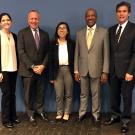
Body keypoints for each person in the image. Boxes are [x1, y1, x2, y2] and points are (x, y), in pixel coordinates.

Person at [74, 8, 109, 126]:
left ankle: (96, 115)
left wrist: (105, 71)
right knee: (83, 94)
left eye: (92, 15)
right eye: (88, 16)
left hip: (97, 70)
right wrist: (76, 70)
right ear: (85, 18)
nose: (90, 17)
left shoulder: (104, 32)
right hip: (83, 69)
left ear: (96, 17)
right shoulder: (79, 33)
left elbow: (106, 54)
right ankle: (81, 114)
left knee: (96, 94)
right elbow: (76, 53)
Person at [104, 1, 135, 133]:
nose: (121, 13)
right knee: (114, 96)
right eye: (119, 11)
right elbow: (110, 51)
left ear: (129, 13)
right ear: (116, 13)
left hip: (128, 72)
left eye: (124, 11)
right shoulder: (111, 30)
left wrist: (130, 71)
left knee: (126, 97)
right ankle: (115, 116)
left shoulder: (134, 29)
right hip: (113, 71)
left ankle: (126, 121)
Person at [17, 10, 49, 126]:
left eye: (36, 19)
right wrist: (32, 66)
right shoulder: (22, 33)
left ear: (39, 19)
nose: (34, 21)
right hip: (27, 71)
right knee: (28, 94)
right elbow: (21, 52)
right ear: (28, 19)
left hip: (41, 70)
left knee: (40, 92)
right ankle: (30, 114)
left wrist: (43, 65)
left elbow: (47, 53)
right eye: (32, 18)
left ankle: (40, 111)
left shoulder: (45, 34)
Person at [49, 22, 75, 122]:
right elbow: (50, 61)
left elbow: (76, 59)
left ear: (67, 31)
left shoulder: (72, 43)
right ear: (57, 30)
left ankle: (67, 113)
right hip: (57, 71)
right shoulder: (52, 44)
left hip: (68, 70)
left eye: (64, 28)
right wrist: (51, 76)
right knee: (59, 94)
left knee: (69, 94)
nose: (62, 29)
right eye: (60, 28)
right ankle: (59, 113)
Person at [0, 13, 20, 128]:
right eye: (3, 20)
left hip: (14, 68)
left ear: (11, 22)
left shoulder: (14, 36)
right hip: (4, 71)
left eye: (8, 20)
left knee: (12, 94)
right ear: (0, 23)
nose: (6, 22)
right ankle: (6, 120)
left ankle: (13, 116)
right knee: (6, 95)